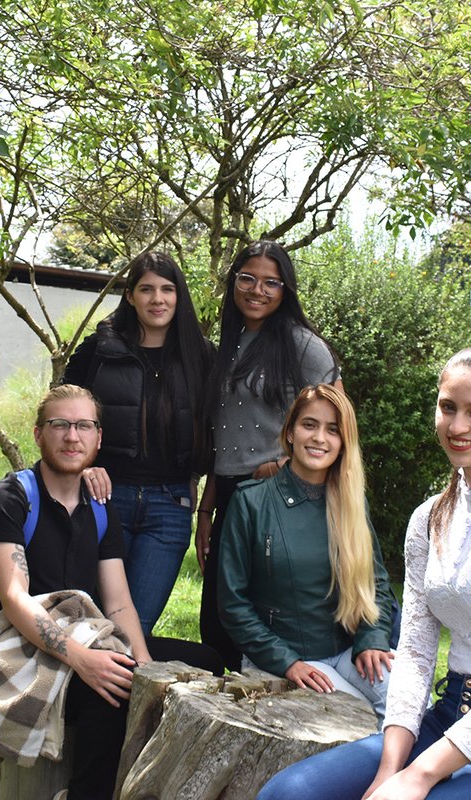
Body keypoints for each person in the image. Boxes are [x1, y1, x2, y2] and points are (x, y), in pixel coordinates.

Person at [258, 344, 471, 800]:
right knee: (288, 794)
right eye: (448, 407)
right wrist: (390, 768)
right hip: (449, 714)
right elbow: (413, 652)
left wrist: (418, 777)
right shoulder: (428, 518)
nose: (457, 426)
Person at [0, 384, 221, 799]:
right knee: (109, 689)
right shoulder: (9, 499)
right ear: (38, 434)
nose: (73, 436)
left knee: (207, 661)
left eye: (84, 426)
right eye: (60, 425)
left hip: (86, 637)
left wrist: (144, 665)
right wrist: (86, 661)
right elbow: (16, 600)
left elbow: (120, 602)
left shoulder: (99, 506)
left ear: (99, 438)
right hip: (20, 650)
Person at [195, 240, 341, 671]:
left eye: (271, 283)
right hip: (228, 493)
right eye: (247, 278)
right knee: (218, 618)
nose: (257, 290)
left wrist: (283, 465)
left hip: (277, 493)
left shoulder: (303, 346)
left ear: (285, 290)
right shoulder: (229, 343)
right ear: (233, 282)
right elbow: (224, 433)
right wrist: (206, 510)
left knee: (259, 615)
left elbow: (338, 424)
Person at [218, 383, 394, 720]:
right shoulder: (250, 501)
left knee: (411, 706)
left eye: (333, 430)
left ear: (344, 443)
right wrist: (287, 662)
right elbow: (232, 604)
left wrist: (372, 638)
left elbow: (378, 584)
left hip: (348, 651)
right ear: (290, 432)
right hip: (282, 658)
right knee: (357, 720)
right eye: (309, 425)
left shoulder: (352, 504)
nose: (319, 438)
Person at [62, 252, 215, 635]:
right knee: (86, 622)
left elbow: (214, 427)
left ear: (179, 296)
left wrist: (195, 476)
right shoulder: (100, 349)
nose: (157, 299)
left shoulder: (202, 355)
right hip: (104, 499)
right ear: (130, 296)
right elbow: (62, 415)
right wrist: (82, 466)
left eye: (167, 289)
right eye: (146, 289)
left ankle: (116, 691)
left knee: (135, 628)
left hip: (170, 506)